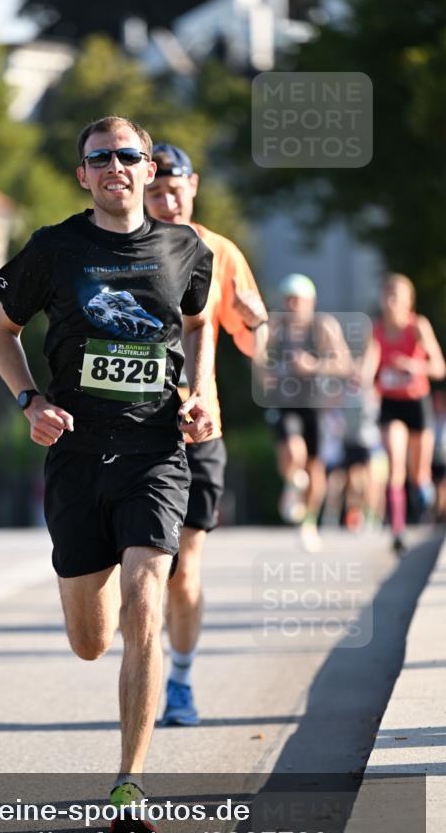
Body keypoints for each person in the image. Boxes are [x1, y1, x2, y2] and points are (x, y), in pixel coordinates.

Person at [0, 116, 214, 831]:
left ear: (149, 169)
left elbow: (198, 321)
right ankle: (103, 585)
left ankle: (130, 784)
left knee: (147, 603)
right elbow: (1, 331)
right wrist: (30, 401)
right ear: (83, 175)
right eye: (100, 158)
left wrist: (200, 392)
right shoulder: (54, 249)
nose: (115, 166)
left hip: (154, 453)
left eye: (127, 155)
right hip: (77, 457)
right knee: (90, 641)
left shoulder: (184, 248)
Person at [143, 143, 267, 727]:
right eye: (156, 192)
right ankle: (143, 668)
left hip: (199, 429)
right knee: (144, 571)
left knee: (184, 568)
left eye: (176, 191)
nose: (167, 202)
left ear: (193, 187)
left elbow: (255, 347)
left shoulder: (220, 253)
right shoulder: (122, 247)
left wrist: (256, 319)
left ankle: (181, 681)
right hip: (134, 431)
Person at [259, 274, 353, 552]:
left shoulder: (323, 326)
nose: (292, 305)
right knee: (292, 452)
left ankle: (309, 523)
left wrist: (314, 365)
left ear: (310, 302)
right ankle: (292, 482)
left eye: (297, 300)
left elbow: (345, 364)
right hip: (285, 402)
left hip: (316, 404)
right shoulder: (275, 326)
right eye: (288, 299)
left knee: (315, 468)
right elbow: (257, 356)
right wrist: (265, 375)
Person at [361, 273, 445, 555]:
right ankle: (397, 530)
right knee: (395, 466)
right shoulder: (376, 329)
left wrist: (414, 366)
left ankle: (426, 501)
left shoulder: (418, 326)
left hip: (417, 403)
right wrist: (362, 378)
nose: (391, 301)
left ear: (409, 300)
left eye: (396, 295)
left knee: (419, 475)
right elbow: (370, 362)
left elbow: (439, 367)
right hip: (391, 404)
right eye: (387, 295)